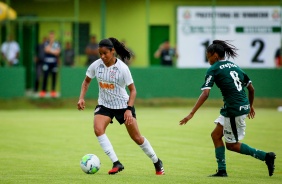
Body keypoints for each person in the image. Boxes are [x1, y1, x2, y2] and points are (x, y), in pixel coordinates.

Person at [179, 40, 276, 177]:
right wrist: (250, 105)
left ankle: (266, 156)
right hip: (235, 107)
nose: (208, 59)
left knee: (232, 145)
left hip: (233, 110)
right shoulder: (235, 66)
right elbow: (251, 89)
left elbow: (206, 93)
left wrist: (191, 113)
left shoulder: (214, 69)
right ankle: (222, 170)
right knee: (216, 135)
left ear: (215, 55)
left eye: (208, 56)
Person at [77, 37, 165, 175]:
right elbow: (86, 82)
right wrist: (81, 98)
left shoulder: (122, 68)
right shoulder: (96, 65)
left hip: (123, 106)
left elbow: (133, 91)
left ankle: (156, 161)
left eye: (105, 53)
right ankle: (116, 162)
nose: (102, 56)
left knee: (137, 138)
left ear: (113, 51)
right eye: (100, 53)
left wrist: (129, 110)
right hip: (104, 105)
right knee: (98, 129)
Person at [39, 31, 61, 98]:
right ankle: (43, 91)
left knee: (54, 76)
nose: (51, 37)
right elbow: (46, 50)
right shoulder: (46, 43)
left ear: (54, 36)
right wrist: (53, 51)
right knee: (45, 76)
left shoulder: (57, 43)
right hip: (47, 62)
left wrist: (51, 51)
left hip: (54, 62)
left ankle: (53, 91)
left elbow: (57, 52)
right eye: (50, 36)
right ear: (49, 36)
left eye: (52, 36)